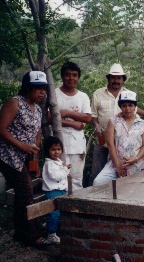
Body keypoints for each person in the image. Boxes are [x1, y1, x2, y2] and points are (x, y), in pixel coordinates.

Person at [0, 71, 49, 247]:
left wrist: (35, 161)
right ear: (27, 87)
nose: (41, 92)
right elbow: (0, 129)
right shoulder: (14, 103)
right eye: (37, 88)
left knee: (24, 191)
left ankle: (20, 231)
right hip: (6, 155)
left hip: (24, 156)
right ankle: (31, 235)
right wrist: (22, 146)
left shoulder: (38, 109)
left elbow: (37, 136)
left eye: (43, 89)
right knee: (25, 191)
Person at [89, 63, 144, 185]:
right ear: (108, 78)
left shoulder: (129, 96)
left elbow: (135, 111)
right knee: (97, 175)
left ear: (123, 80)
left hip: (130, 157)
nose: (116, 80)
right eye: (113, 77)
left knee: (129, 185)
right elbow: (93, 114)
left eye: (119, 78)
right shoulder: (98, 94)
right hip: (103, 141)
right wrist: (96, 125)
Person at [93, 91, 144, 185]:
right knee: (98, 182)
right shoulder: (113, 121)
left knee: (135, 189)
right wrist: (118, 165)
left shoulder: (142, 124)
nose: (127, 109)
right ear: (120, 106)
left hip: (136, 164)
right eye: (124, 105)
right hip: (115, 163)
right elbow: (110, 144)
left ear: (135, 106)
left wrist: (135, 158)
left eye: (130, 105)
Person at [54, 62, 91, 191]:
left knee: (76, 180)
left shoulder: (83, 96)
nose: (71, 78)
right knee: (58, 179)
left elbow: (87, 118)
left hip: (77, 146)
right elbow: (48, 117)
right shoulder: (54, 94)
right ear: (62, 76)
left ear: (78, 78)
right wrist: (71, 122)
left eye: (74, 75)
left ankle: (75, 209)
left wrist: (66, 113)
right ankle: (59, 210)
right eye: (68, 75)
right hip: (57, 145)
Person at [42, 136, 71, 245]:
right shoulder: (49, 163)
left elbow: (61, 175)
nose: (56, 152)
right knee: (54, 213)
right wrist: (65, 169)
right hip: (53, 192)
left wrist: (67, 172)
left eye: (58, 149)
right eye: (53, 149)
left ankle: (50, 225)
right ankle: (51, 235)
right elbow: (55, 176)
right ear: (47, 151)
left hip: (61, 191)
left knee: (58, 213)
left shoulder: (57, 162)